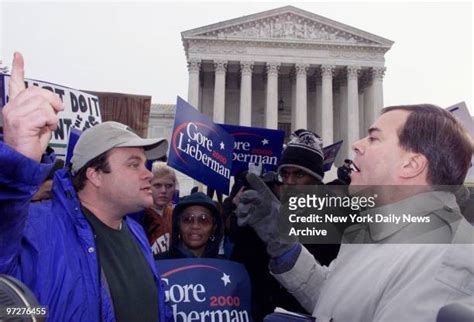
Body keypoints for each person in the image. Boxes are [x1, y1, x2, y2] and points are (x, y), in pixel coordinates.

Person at [237, 104, 474, 321]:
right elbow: (333, 297)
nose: (356, 145)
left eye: (373, 138)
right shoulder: (369, 231)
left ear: (411, 165)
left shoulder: (448, 260)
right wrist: (284, 244)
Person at [0, 52, 171, 322]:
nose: (147, 174)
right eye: (133, 164)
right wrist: (14, 169)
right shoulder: (36, 227)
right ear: (95, 174)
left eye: (145, 164)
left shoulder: (137, 232)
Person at [157, 192, 223, 259]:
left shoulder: (222, 267)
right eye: (187, 219)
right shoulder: (158, 264)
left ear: (214, 228)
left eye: (203, 220)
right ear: (178, 224)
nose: (195, 226)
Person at [143, 161, 177, 256]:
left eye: (169, 186)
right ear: (148, 185)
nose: (164, 191)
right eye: (157, 185)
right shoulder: (139, 217)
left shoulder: (174, 215)